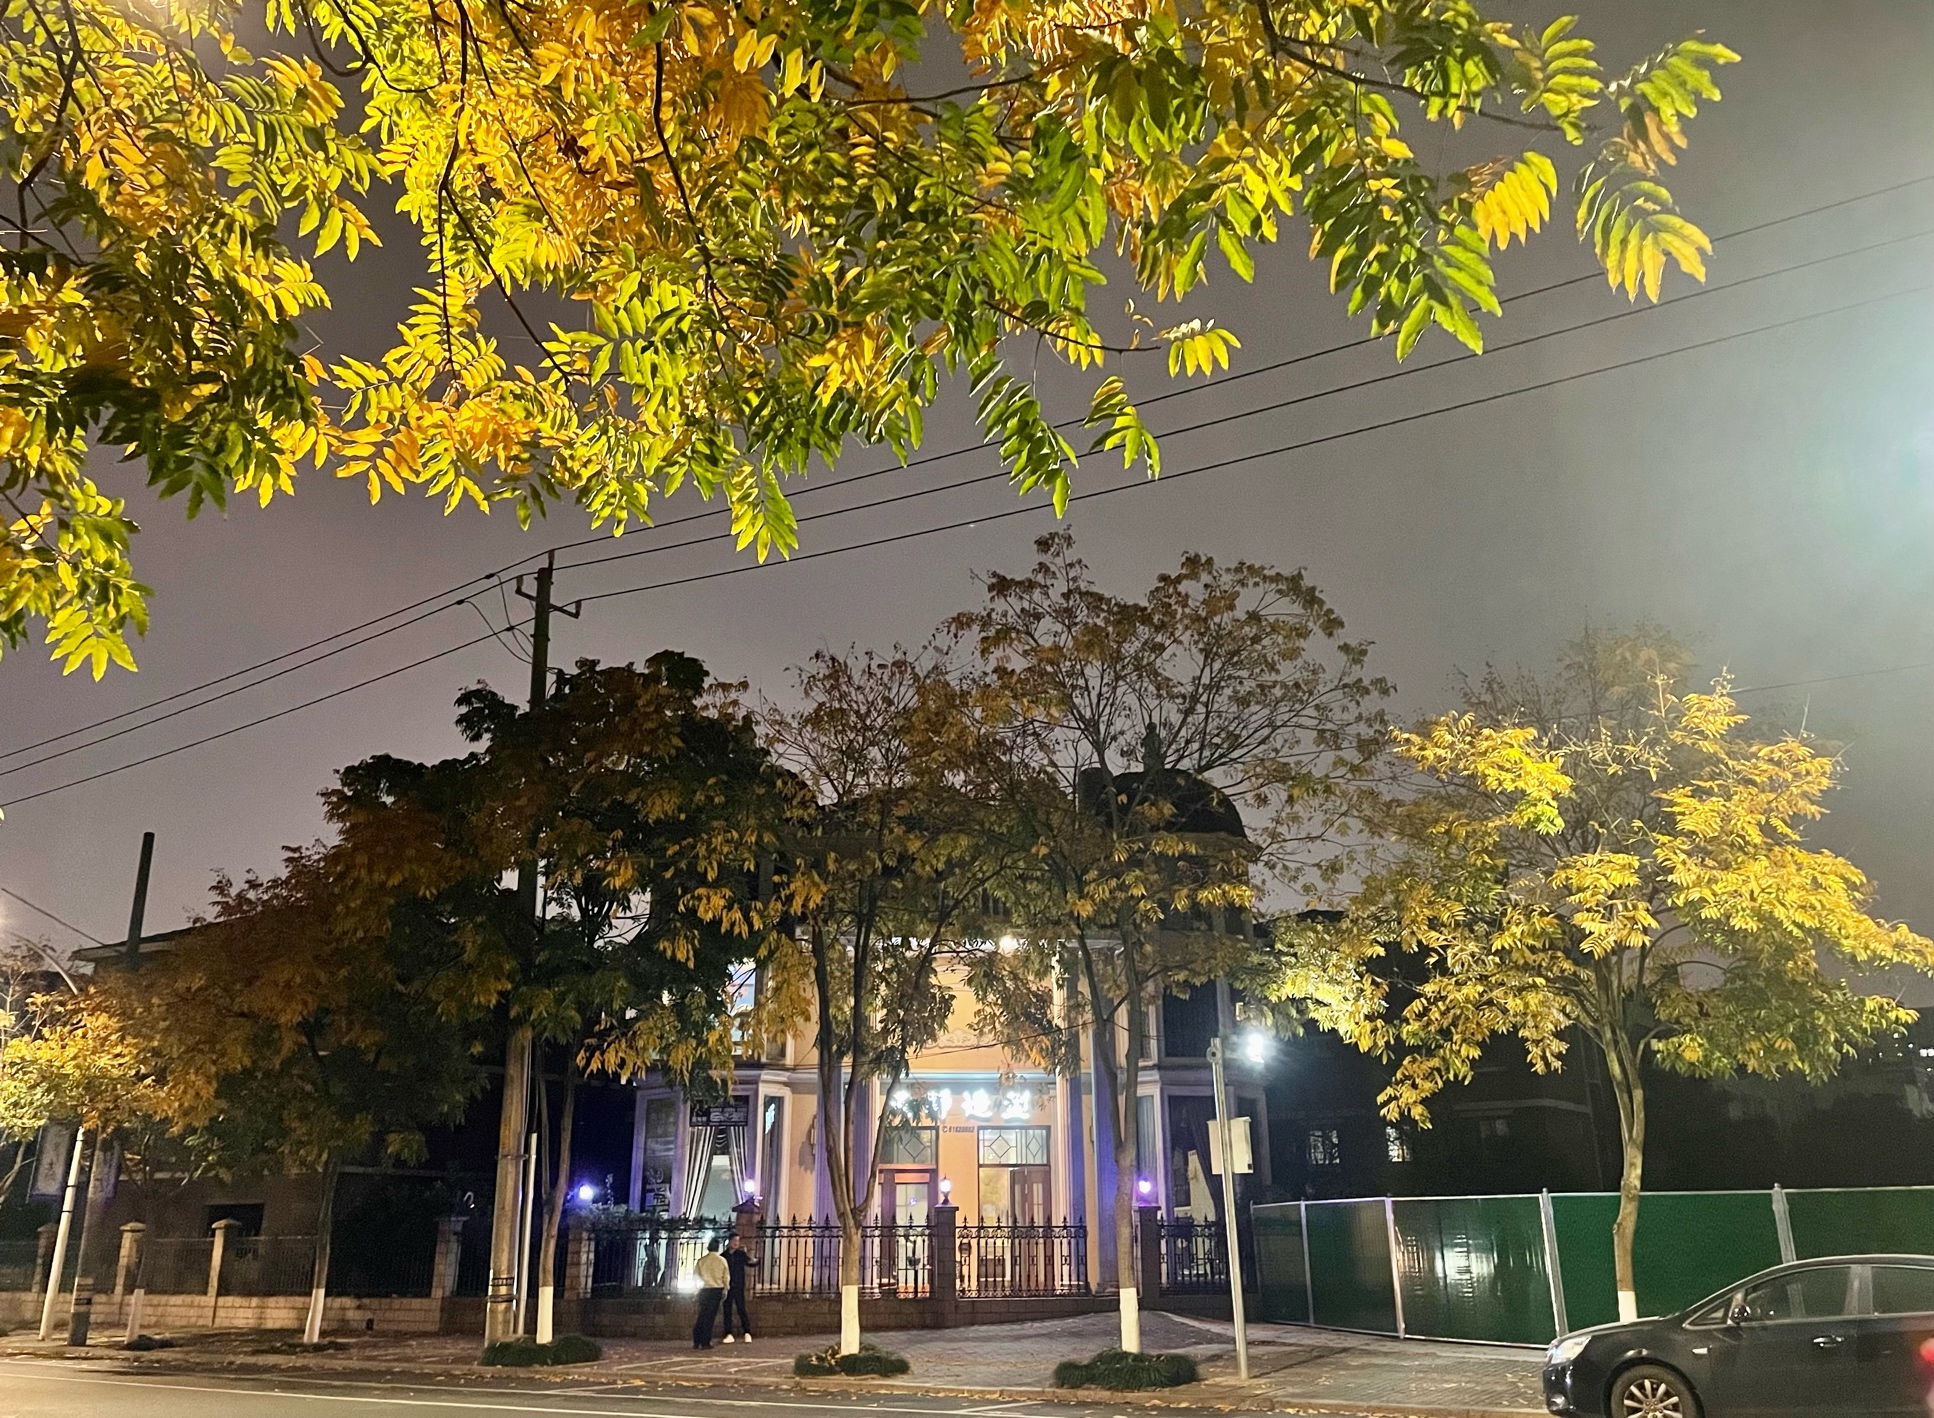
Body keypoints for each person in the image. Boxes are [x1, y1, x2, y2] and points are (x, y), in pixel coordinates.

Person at [692, 1237, 729, 1349]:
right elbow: (726, 1277)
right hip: (716, 1290)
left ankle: (697, 1339)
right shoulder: (722, 1261)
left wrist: (695, 1291)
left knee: (702, 1314)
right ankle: (705, 1341)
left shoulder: (701, 1261)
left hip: (704, 1290)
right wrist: (726, 1289)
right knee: (710, 1317)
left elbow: (696, 1277)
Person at [720, 1233, 754, 1343]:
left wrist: (754, 1259)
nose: (736, 1243)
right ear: (729, 1241)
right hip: (728, 1286)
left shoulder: (741, 1254)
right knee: (727, 1309)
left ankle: (747, 1332)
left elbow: (750, 1263)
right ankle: (728, 1333)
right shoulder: (723, 1256)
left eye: (737, 1241)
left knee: (741, 1308)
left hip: (739, 1285)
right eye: (734, 1240)